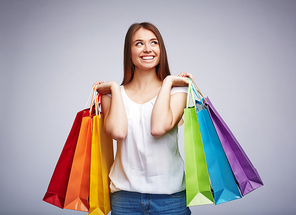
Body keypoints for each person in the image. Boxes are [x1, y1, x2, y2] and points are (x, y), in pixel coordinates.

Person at [95, 22, 193, 215]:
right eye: (139, 43)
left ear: (160, 49)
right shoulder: (111, 95)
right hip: (125, 199)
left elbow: (158, 127)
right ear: (129, 52)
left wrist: (168, 81)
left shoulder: (178, 91)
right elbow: (118, 132)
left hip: (170, 199)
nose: (147, 49)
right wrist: (115, 87)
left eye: (153, 42)